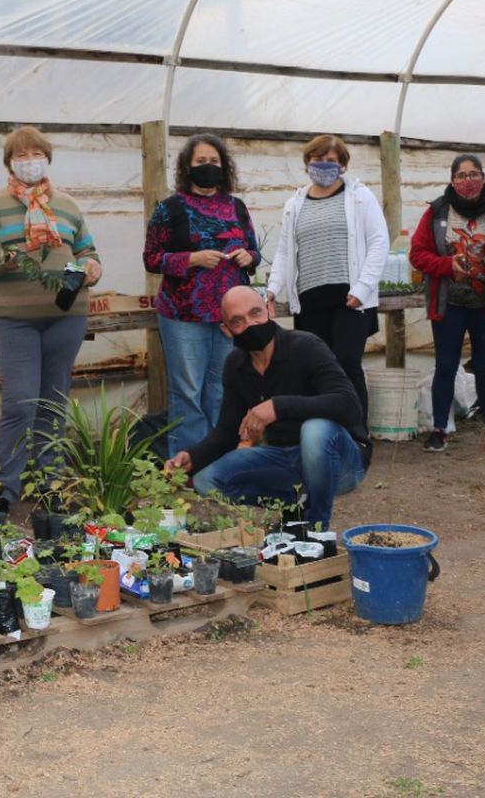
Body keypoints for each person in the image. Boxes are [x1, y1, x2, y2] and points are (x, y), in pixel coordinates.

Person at [0, 125, 102, 506]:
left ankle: (49, 485)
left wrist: (91, 268)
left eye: (35, 154)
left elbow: (89, 252)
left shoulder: (68, 205)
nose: (29, 161)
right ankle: (4, 489)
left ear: (47, 158)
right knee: (20, 403)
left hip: (66, 315)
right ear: (9, 162)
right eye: (20, 155)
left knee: (53, 403)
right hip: (15, 319)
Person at [165, 285, 370, 529]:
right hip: (285, 457)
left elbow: (350, 405)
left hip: (341, 460)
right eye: (238, 321)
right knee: (205, 480)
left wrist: (278, 407)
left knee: (315, 430)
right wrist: (192, 456)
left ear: (269, 310)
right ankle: (295, 506)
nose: (251, 325)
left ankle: (316, 530)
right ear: (227, 330)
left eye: (255, 314)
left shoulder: (305, 346)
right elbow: (227, 431)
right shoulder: (236, 364)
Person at [143, 134, 260, 456]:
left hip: (230, 316)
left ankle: (218, 457)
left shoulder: (236, 206)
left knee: (221, 390)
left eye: (213, 162)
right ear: (187, 167)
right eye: (200, 163)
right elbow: (151, 258)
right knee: (188, 392)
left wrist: (249, 257)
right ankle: (188, 463)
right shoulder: (170, 209)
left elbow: (254, 249)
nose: (208, 168)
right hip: (184, 316)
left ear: (223, 167)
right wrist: (190, 259)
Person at [409, 154, 485, 453]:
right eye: (462, 175)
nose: (468, 180)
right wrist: (447, 265)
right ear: (452, 180)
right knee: (446, 366)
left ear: (484, 177)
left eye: (474, 174)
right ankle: (439, 430)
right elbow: (417, 254)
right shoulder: (436, 212)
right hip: (448, 304)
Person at [265, 134, 388, 422]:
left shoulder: (359, 196)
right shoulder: (294, 204)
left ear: (343, 165)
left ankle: (357, 432)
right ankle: (325, 433)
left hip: (350, 298)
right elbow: (284, 251)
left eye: (331, 161)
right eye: (317, 159)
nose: (323, 165)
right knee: (316, 367)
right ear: (307, 163)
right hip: (311, 299)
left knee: (346, 362)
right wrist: (272, 288)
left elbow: (379, 242)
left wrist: (363, 287)